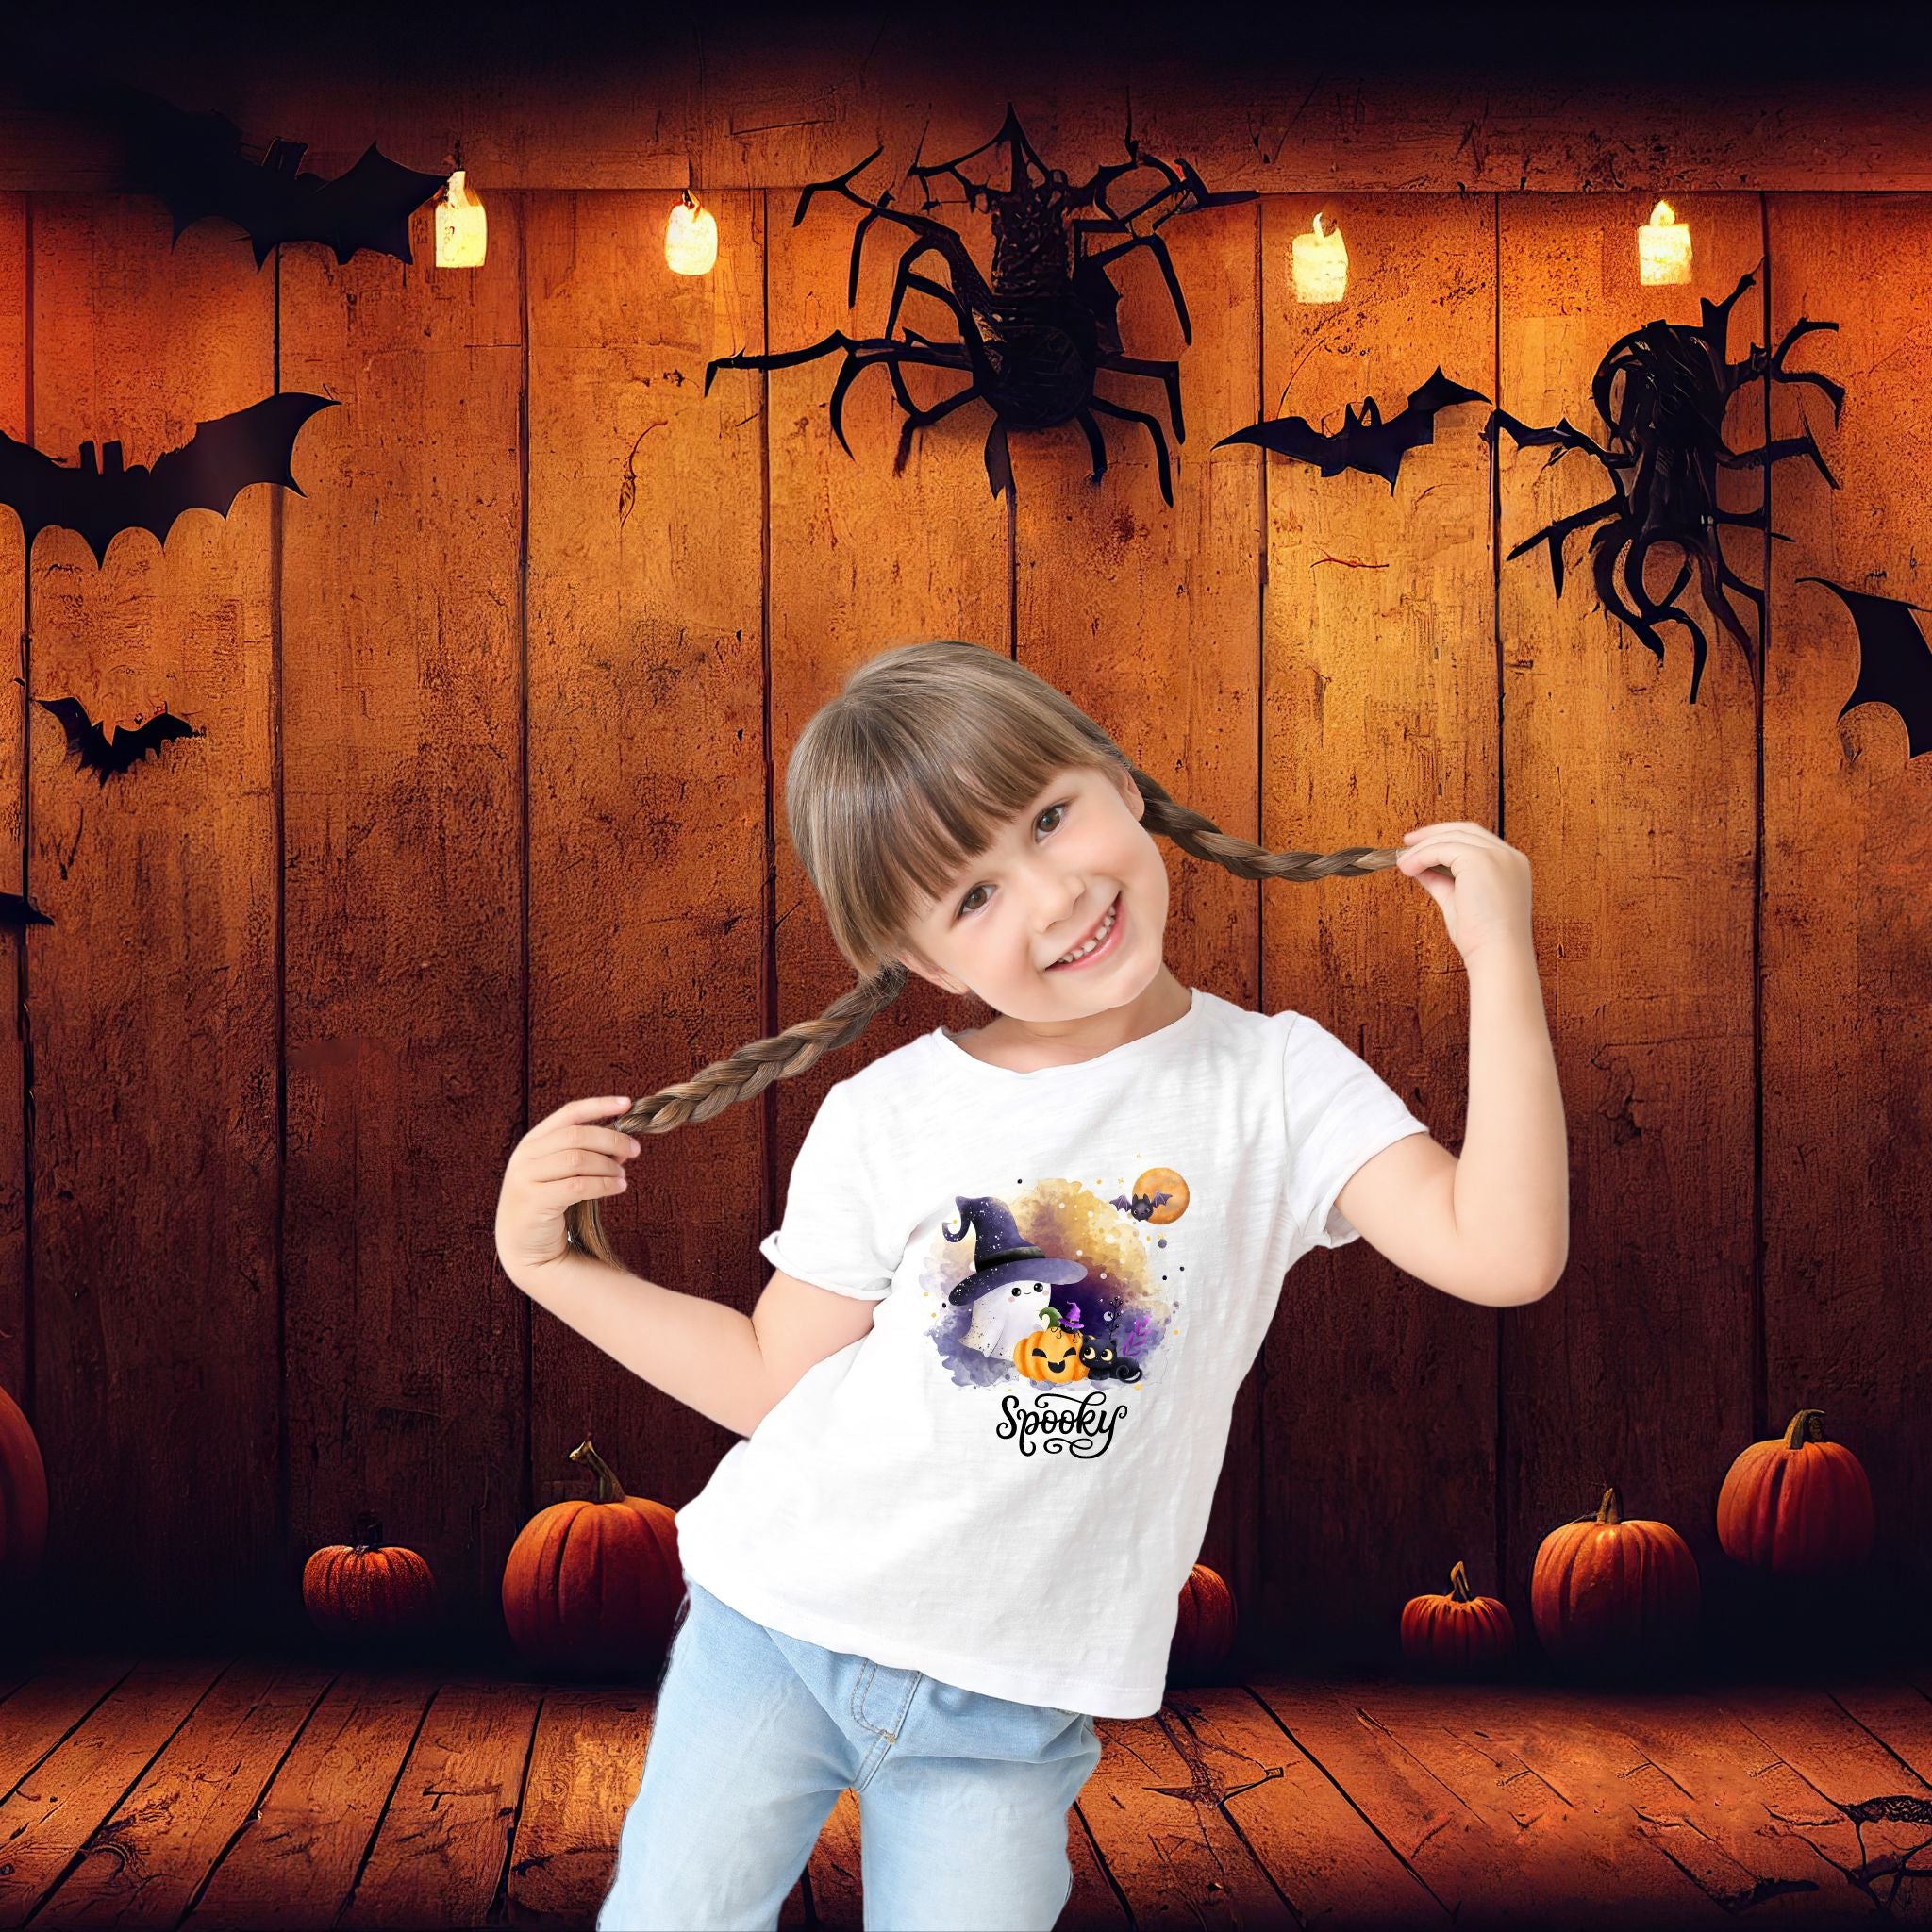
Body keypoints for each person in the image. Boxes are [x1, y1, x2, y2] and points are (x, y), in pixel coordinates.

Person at [493, 640, 1570, 1930]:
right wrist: (544, 1263)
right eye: (971, 899)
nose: (1053, 896)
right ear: (924, 961)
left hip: (1012, 1698)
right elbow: (775, 1379)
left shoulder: (1276, 1086)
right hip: (771, 1624)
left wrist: (1500, 956)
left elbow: (1503, 1253)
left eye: (1051, 816)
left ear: (1117, 774)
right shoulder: (884, 1112)